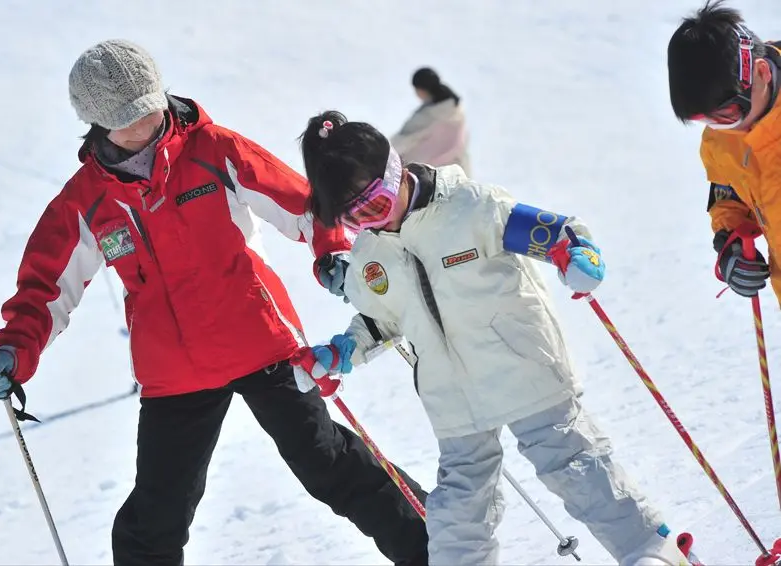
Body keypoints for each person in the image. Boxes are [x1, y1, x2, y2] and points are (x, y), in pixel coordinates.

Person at [0, 39, 429, 566]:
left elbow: (306, 207)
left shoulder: (215, 150)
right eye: (128, 117)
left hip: (260, 342)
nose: (146, 121)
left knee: (326, 461)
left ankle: (441, 551)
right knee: (156, 518)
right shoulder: (86, 202)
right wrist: (14, 350)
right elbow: (44, 293)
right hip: (174, 372)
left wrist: (330, 254)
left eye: (149, 106)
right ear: (97, 124)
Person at [294, 110, 694, 566]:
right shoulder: (372, 256)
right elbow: (383, 319)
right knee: (458, 509)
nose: (374, 221)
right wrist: (344, 350)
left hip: (523, 370)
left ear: (395, 171)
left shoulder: (472, 206)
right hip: (455, 400)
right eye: (357, 218)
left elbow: (554, 230)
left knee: (578, 469)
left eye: (377, 203)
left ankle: (651, 551)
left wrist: (574, 253)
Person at [667, 0, 780, 303]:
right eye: (705, 120)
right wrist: (731, 245)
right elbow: (729, 196)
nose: (724, 128)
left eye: (728, 114)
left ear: (761, 73)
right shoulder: (721, 141)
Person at [389, 67, 471, 175]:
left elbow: (404, 139)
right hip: (456, 167)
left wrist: (385, 151)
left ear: (422, 90)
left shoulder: (429, 115)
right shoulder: (454, 106)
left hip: (433, 171)